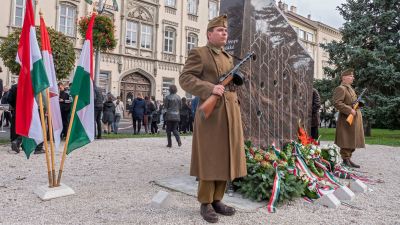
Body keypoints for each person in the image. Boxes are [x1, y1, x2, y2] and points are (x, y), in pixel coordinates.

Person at [179, 14, 246, 223]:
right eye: (220, 30)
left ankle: (218, 199)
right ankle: (205, 202)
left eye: (225, 31)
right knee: (210, 157)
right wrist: (210, 88)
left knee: (225, 157)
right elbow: (185, 78)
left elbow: (228, 84)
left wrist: (235, 81)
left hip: (230, 113)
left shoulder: (228, 57)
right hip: (211, 115)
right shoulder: (199, 53)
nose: (224, 33)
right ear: (210, 34)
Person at [333, 68, 365, 168]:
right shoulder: (341, 88)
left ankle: (348, 159)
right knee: (347, 140)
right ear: (344, 78)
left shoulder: (350, 88)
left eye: (352, 76)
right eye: (350, 76)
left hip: (354, 119)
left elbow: (352, 102)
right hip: (346, 119)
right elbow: (337, 103)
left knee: (352, 140)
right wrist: (349, 110)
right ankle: (345, 159)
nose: (353, 78)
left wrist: (358, 104)